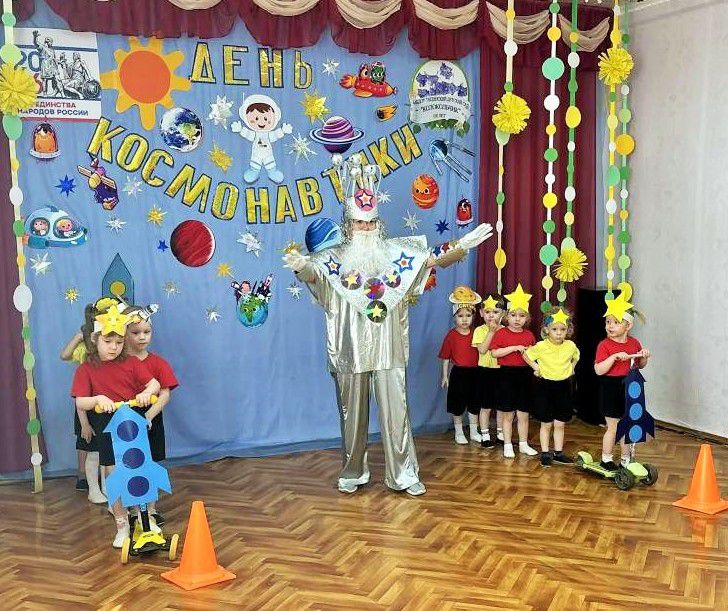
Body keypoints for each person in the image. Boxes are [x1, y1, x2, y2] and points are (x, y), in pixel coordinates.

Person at [282, 153, 493, 496]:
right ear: (348, 225)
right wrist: (301, 266)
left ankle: (404, 474)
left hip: (389, 347)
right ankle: (353, 472)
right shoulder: (331, 260)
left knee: (397, 415)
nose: (365, 230)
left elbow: (429, 258)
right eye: (358, 224)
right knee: (351, 415)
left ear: (378, 224)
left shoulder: (396, 254)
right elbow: (314, 275)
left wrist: (461, 246)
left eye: (370, 223)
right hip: (349, 349)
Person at [71, 304, 160, 548]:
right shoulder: (86, 369)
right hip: (106, 424)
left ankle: (145, 518)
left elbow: (154, 384)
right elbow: (81, 401)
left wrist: (146, 393)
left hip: (132, 422)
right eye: (108, 341)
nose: (114, 347)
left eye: (119, 342)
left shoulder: (131, 363)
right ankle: (122, 525)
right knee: (114, 474)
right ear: (95, 340)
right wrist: (98, 399)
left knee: (140, 470)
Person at [122, 304, 178, 526]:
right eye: (136, 332)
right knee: (128, 465)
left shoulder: (158, 363)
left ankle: (151, 509)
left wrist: (148, 416)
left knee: (151, 465)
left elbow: (165, 394)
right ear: (125, 333)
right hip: (125, 420)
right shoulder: (117, 363)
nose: (142, 337)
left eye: (147, 332)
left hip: (150, 419)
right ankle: (132, 509)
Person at [594, 294, 650, 471]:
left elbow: (640, 365)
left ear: (628, 326)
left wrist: (644, 356)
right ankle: (606, 459)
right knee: (613, 427)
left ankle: (626, 460)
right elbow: (599, 370)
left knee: (627, 425)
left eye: (616, 322)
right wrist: (614, 357)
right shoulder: (604, 345)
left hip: (630, 387)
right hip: (611, 387)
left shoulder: (634, 343)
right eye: (608, 322)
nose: (610, 326)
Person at [523, 308, 580, 467]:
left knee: (560, 423)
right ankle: (545, 453)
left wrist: (572, 368)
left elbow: (576, 356)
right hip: (545, 387)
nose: (559, 333)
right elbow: (526, 355)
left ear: (568, 330)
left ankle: (558, 453)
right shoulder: (541, 346)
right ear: (546, 329)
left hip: (563, 387)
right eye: (554, 329)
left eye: (563, 329)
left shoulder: (570, 346)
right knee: (546, 423)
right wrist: (536, 367)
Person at [489, 284, 538, 459]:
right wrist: (514, 348)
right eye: (513, 315)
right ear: (507, 316)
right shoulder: (501, 334)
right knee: (508, 414)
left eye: (521, 315)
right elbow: (495, 353)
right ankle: (508, 444)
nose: (517, 319)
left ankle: (523, 444)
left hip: (524, 376)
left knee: (523, 414)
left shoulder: (529, 335)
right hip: (506, 376)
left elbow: (533, 356)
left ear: (527, 318)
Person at [439, 287, 482, 444]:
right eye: (460, 316)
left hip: (475, 373)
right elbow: (445, 358)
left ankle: (474, 431)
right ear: (454, 317)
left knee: (474, 403)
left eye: (468, 316)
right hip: (458, 374)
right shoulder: (451, 336)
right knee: (457, 404)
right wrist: (445, 376)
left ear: (473, 316)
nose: (464, 320)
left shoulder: (477, 333)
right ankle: (458, 432)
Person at [472, 294, 506, 448]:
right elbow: (482, 350)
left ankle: (500, 433)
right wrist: (491, 332)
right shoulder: (479, 330)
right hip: (485, 371)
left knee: (501, 406)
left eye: (496, 312)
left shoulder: (505, 331)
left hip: (502, 371)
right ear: (481, 313)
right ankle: (485, 434)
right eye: (487, 312)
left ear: (503, 314)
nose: (491, 315)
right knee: (485, 406)